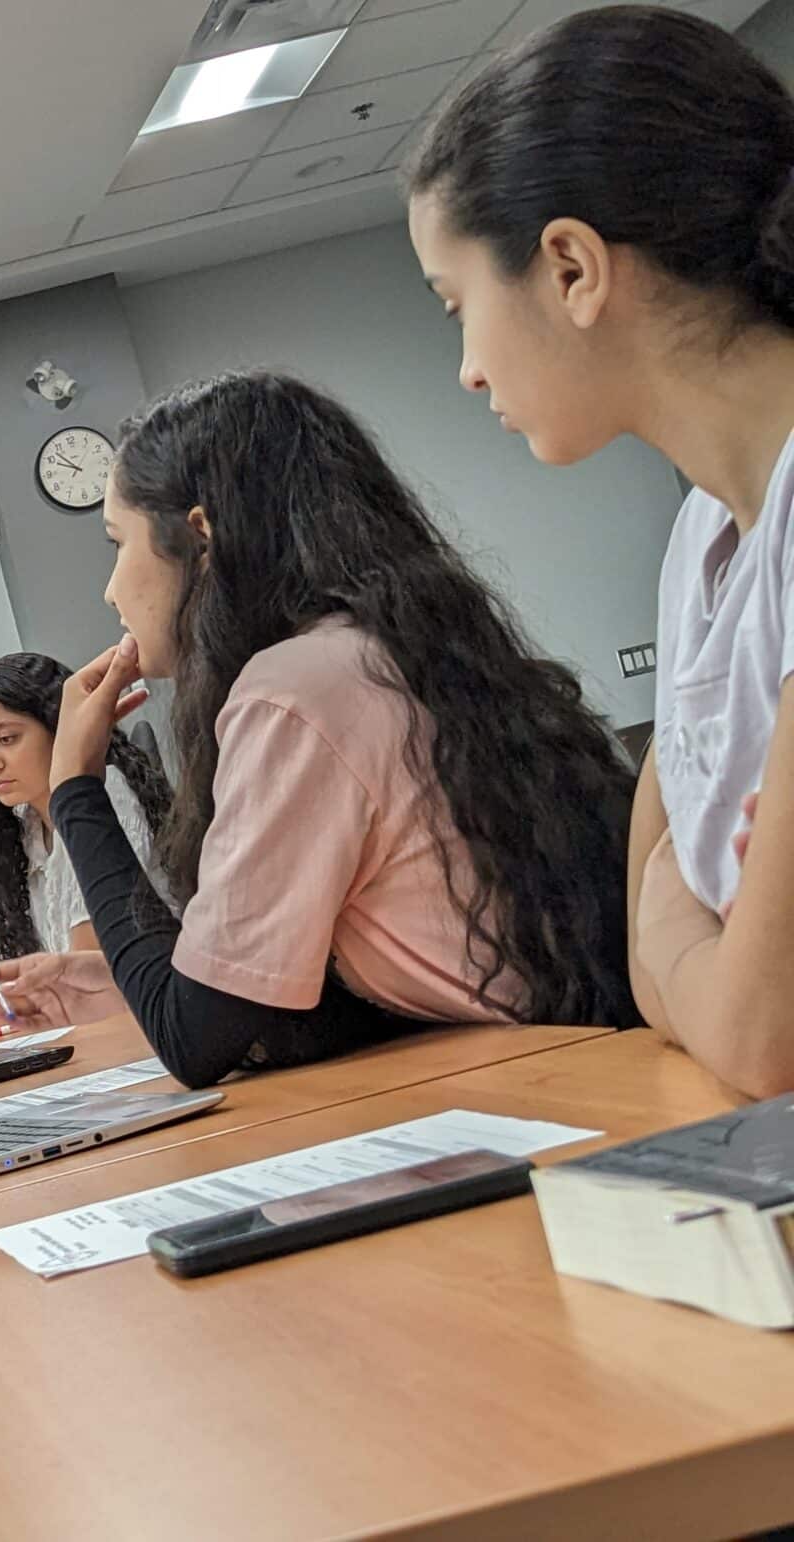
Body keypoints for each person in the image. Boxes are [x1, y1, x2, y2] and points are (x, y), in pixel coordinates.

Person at [0, 371, 637, 1087]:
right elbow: (278, 999)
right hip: (584, 1058)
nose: (110, 588)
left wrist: (77, 784)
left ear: (201, 539)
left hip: (559, 1091)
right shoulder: (381, 648)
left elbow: (194, 1041)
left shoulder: (293, 691)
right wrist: (117, 986)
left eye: (117, 543)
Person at [404, 7, 794, 1097]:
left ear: (570, 267)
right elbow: (655, 969)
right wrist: (688, 958)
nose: (468, 371)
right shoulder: (701, 541)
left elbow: (760, 1033)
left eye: (454, 309)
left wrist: (684, 944)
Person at [0, 652, 174, 959]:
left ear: (59, 729)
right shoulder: (29, 824)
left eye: (6, 739)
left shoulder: (105, 793)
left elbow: (85, 968)